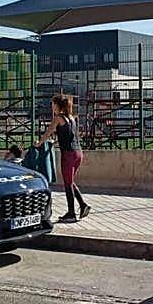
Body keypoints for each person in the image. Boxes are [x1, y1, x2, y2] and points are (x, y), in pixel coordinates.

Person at [37, 94, 91, 223]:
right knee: (70, 181)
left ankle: (71, 213)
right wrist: (54, 143)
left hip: (68, 154)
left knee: (67, 183)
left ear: (57, 105)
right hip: (78, 152)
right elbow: (68, 136)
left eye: (53, 104)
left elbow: (48, 132)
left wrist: (39, 143)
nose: (52, 107)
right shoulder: (71, 118)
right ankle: (83, 205)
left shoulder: (58, 118)